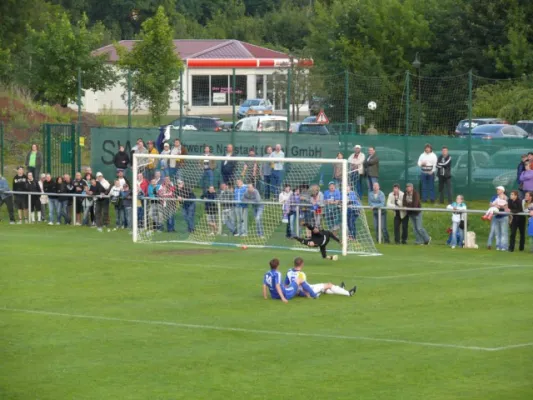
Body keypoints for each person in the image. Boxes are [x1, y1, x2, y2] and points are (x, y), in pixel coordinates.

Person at [285, 257, 356, 298]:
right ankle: (348, 293)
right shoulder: (301, 274)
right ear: (302, 264)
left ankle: (339, 288)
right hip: (308, 290)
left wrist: (295, 292)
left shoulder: (289, 272)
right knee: (329, 285)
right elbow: (304, 287)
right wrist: (309, 295)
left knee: (324, 289)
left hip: (298, 291)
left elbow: (286, 285)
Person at [486, 186, 508, 251]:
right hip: (496, 216)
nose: (497, 190)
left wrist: (501, 206)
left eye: (498, 189)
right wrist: (495, 205)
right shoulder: (495, 197)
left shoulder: (506, 198)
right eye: (497, 189)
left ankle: (504, 247)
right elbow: (490, 204)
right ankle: (498, 246)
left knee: (504, 233)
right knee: (497, 233)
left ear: (502, 191)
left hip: (503, 216)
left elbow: (506, 207)